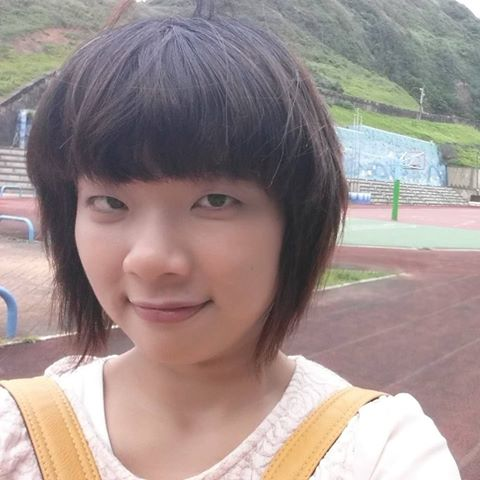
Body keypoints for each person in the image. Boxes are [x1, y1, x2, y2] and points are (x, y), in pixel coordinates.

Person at [0, 5, 460, 479]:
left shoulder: (379, 452)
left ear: (296, 222)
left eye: (215, 201)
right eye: (110, 203)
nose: (150, 260)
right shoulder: (15, 435)